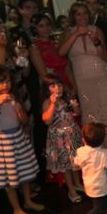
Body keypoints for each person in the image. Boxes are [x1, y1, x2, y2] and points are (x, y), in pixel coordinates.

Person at [59, 2, 107, 158]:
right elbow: (61, 52)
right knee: (89, 114)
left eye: (85, 13)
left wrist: (96, 40)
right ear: (73, 16)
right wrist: (76, 34)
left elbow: (105, 56)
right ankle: (94, 153)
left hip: (101, 76)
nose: (82, 17)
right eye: (78, 14)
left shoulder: (96, 30)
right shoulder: (68, 32)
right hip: (82, 80)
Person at [0, 65, 43, 214]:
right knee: (9, 179)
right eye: (0, 82)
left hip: (17, 137)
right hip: (1, 143)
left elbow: (25, 122)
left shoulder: (14, 96)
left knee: (25, 173)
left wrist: (20, 112)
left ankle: (27, 201)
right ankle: (17, 210)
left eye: (7, 81)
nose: (5, 85)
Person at [42, 75, 84, 205]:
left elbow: (76, 114)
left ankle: (77, 184)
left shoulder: (65, 99)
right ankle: (71, 189)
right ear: (47, 88)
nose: (57, 88)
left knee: (75, 161)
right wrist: (53, 104)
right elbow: (47, 120)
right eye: (53, 86)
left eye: (59, 85)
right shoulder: (47, 103)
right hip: (59, 137)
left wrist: (75, 107)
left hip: (72, 133)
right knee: (65, 164)